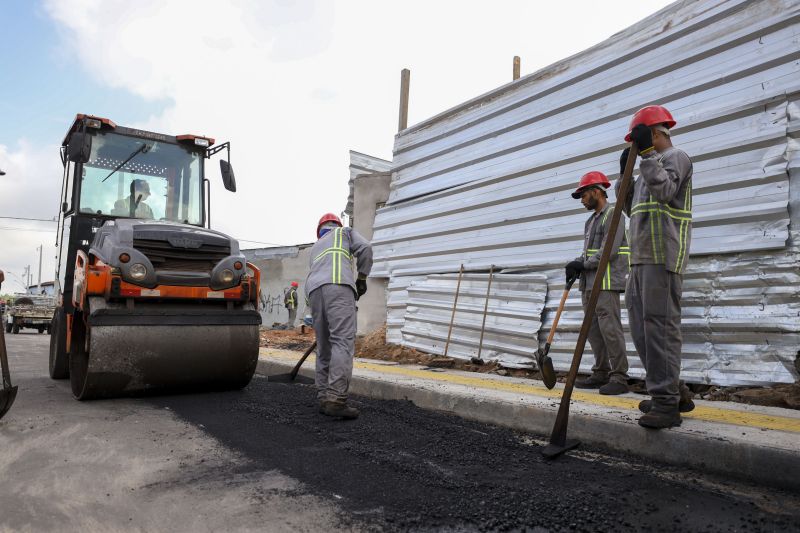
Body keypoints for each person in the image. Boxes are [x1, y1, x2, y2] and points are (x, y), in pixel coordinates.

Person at [616, 105, 695, 429]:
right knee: (643, 332)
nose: (637, 148)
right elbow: (629, 209)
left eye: (639, 141)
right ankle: (674, 392)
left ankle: (665, 404)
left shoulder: (676, 157)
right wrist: (624, 177)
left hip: (662, 257)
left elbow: (665, 192)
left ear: (653, 134)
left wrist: (647, 155)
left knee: (660, 330)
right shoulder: (646, 169)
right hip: (640, 259)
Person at [565, 171, 630, 395]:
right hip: (589, 284)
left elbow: (609, 250)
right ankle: (601, 372)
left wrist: (584, 264)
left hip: (606, 283)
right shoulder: (591, 221)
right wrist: (576, 263)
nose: (582, 200)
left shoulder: (614, 214)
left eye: (583, 195)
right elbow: (589, 253)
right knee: (593, 331)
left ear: (596, 192)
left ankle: (619, 377)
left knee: (610, 330)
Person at [306, 213, 372, 419]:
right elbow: (366, 248)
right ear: (337, 224)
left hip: (314, 293)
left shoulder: (315, 247)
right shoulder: (344, 232)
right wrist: (362, 278)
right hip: (338, 287)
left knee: (324, 346)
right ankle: (336, 399)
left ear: (319, 230)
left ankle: (323, 396)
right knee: (342, 342)